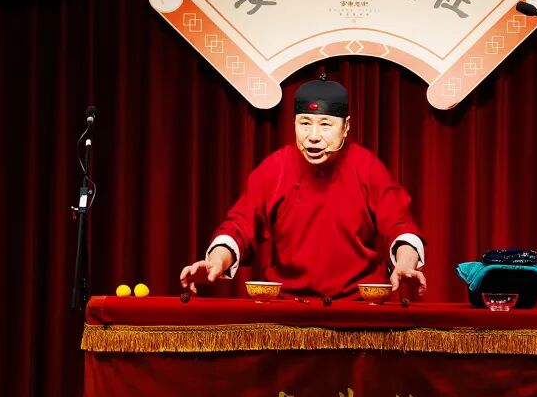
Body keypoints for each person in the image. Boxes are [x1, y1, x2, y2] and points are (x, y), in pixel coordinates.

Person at [179, 79, 427, 300]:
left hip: (358, 308)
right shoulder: (274, 169)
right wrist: (216, 261)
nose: (313, 136)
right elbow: (238, 227)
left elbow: (400, 225)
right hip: (287, 308)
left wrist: (405, 263)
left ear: (346, 126)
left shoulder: (367, 168)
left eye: (325, 125)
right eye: (305, 123)